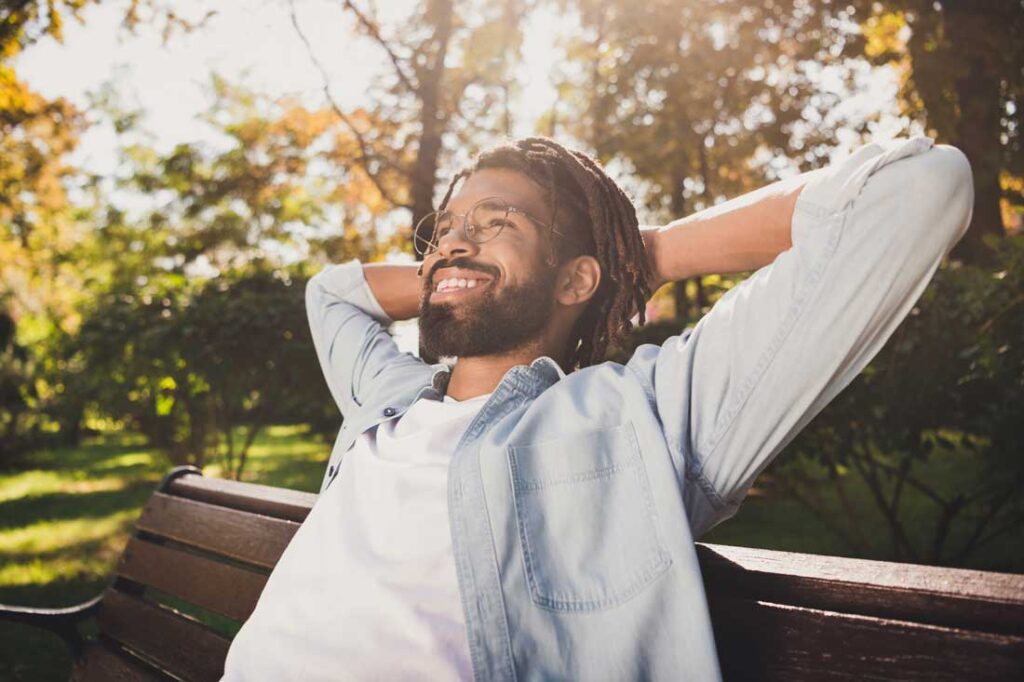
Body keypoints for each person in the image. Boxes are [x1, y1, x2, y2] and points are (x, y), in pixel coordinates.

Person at [221, 136, 973, 680]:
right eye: (445, 228)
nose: (450, 244)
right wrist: (456, 266)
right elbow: (332, 292)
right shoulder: (384, 399)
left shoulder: (643, 416)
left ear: (576, 281)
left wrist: (644, 255)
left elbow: (920, 189)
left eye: (496, 222)